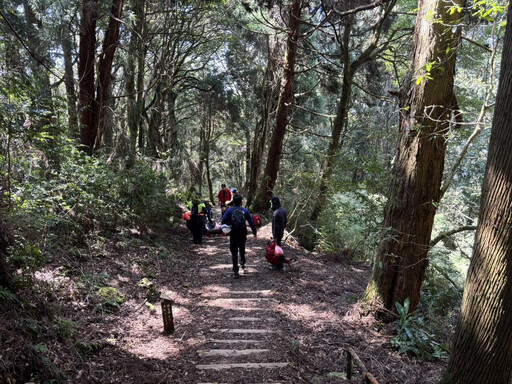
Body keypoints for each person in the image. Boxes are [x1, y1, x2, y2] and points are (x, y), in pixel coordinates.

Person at [221, 194, 257, 279]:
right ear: (241, 202)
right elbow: (251, 222)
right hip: (242, 233)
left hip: (233, 233)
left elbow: (223, 221)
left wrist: (227, 227)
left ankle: (235, 271)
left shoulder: (229, 211)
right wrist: (254, 233)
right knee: (242, 248)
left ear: (233, 202)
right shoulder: (245, 211)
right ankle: (243, 264)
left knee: (234, 252)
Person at [271, 196, 287, 269]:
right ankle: (280, 264)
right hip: (281, 232)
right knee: (279, 247)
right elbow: (285, 222)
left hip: (277, 234)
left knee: (276, 249)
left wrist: (274, 237)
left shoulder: (276, 213)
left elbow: (275, 226)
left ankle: (277, 265)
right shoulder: (284, 210)